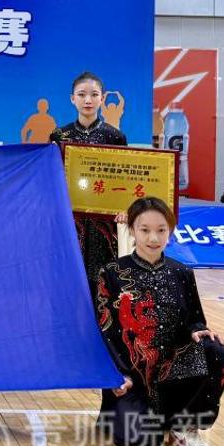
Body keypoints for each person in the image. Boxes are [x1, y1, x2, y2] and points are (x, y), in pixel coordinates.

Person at [96, 197, 224, 446]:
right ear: (132, 230)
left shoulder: (182, 272)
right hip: (131, 377)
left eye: (161, 230)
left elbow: (195, 319)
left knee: (215, 350)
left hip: (172, 372)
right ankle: (145, 418)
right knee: (137, 444)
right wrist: (115, 374)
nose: (153, 238)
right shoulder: (112, 273)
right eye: (145, 229)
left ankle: (185, 425)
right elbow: (105, 328)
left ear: (170, 230)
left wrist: (198, 330)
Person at [50, 72, 128, 293]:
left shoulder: (115, 137)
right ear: (72, 98)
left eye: (94, 95)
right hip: (69, 215)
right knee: (68, 272)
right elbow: (52, 176)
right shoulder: (59, 135)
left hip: (102, 218)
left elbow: (123, 178)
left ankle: (102, 314)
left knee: (102, 274)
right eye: (82, 94)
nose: (88, 100)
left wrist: (123, 207)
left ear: (102, 99)